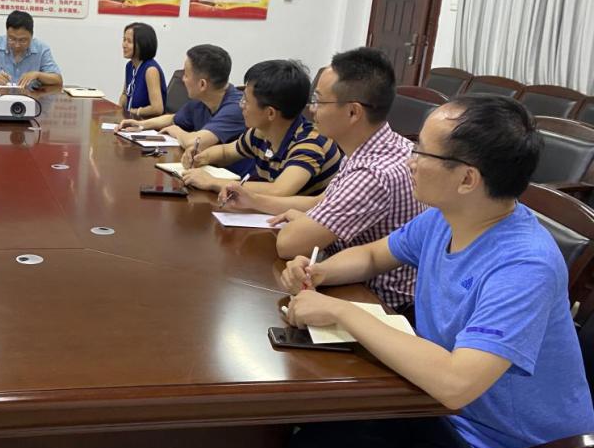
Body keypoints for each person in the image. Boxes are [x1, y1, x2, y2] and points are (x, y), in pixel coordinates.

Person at [280, 95, 594, 448]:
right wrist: (319, 272)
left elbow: (455, 383)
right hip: (443, 414)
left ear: (467, 178)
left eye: (421, 152)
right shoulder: (446, 217)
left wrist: (342, 313)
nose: (409, 160)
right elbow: (373, 255)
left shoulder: (524, 265)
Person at [219, 47, 423, 312]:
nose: (312, 109)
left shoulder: (373, 173)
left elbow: (288, 244)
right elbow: (322, 201)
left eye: (319, 101)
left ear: (353, 112)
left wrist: (307, 224)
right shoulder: (378, 145)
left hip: (376, 302)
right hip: (345, 278)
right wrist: (254, 200)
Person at [180, 59, 341, 196]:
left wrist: (212, 182)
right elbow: (226, 152)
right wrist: (202, 157)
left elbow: (279, 190)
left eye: (246, 101)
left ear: (270, 113)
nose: (241, 105)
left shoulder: (309, 143)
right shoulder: (260, 133)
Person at [117, 44, 246, 155]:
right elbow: (173, 118)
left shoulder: (237, 107)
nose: (182, 79)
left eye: (186, 74)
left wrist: (176, 131)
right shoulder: (201, 100)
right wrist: (141, 124)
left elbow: (195, 142)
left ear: (202, 84)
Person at [0, 10, 63, 88]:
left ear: (32, 35)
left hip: (31, 100)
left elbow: (57, 79)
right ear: (7, 32)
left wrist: (38, 75)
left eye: (23, 40)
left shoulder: (41, 49)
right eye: (12, 39)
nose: (17, 45)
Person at [117, 22, 165, 118]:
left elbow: (157, 108)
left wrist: (136, 112)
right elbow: (125, 94)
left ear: (142, 44)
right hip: (131, 119)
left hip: (146, 122)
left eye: (129, 41)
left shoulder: (150, 70)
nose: (124, 45)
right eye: (124, 40)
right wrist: (118, 110)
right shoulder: (130, 66)